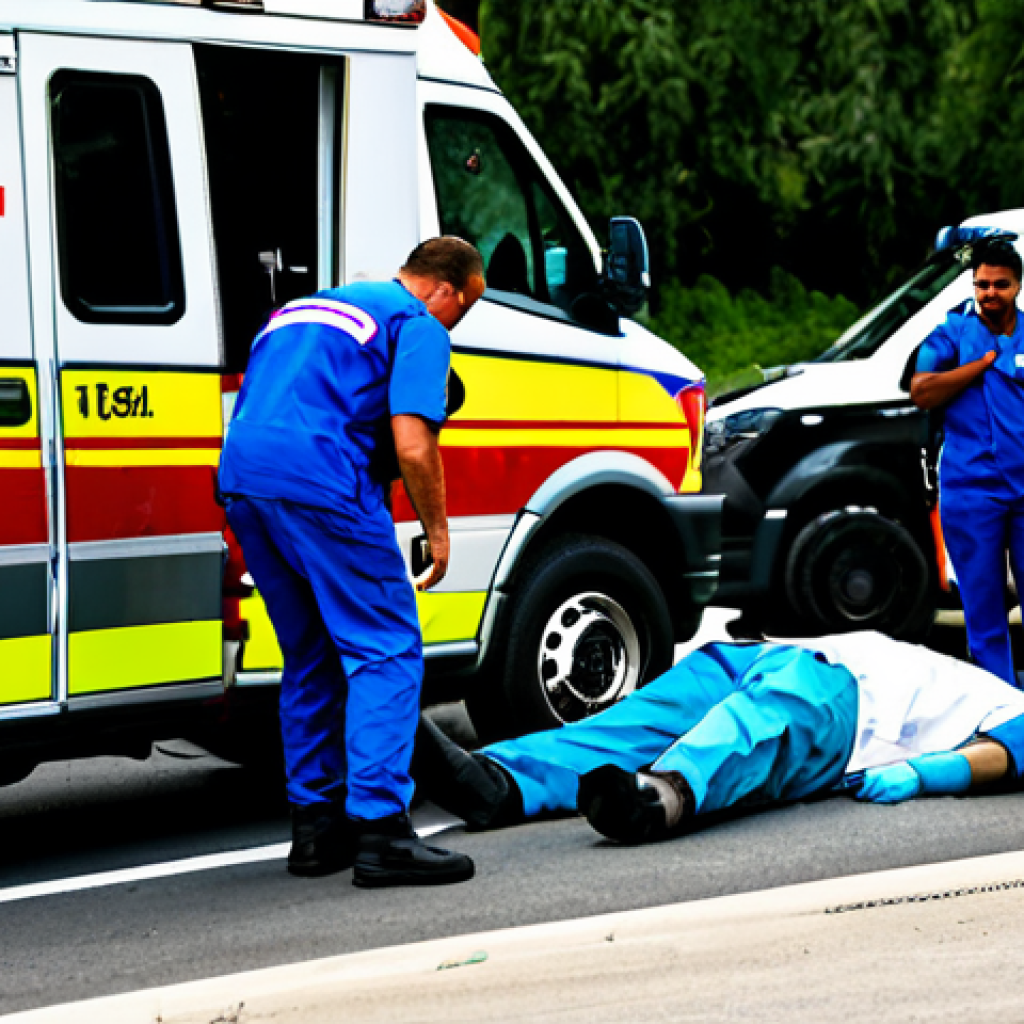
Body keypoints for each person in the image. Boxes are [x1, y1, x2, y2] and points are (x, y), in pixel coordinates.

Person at [219, 237, 486, 887]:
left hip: (244, 480)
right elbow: (413, 443)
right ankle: (383, 832)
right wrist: (438, 531)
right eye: (464, 309)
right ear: (444, 289)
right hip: (324, 483)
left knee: (310, 655)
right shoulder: (415, 323)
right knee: (386, 650)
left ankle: (316, 832)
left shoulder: (302, 310)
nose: (456, 324)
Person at [413, 632, 1024, 844]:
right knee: (625, 726)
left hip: (855, 707)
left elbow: (1001, 755)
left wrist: (927, 775)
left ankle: (663, 795)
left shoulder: (1014, 705)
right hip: (791, 654)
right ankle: (498, 782)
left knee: (754, 729)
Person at [911, 238, 1024, 687]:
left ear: (1017, 286)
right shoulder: (950, 335)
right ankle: (1005, 715)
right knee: (984, 609)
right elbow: (923, 391)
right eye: (982, 285)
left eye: (1000, 284)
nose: (990, 293)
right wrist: (979, 365)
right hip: (971, 491)